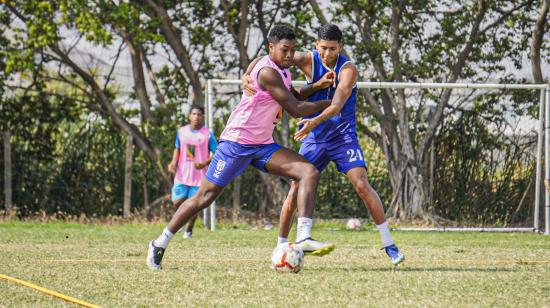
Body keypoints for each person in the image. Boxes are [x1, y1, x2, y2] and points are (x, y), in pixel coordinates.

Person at [147, 25, 335, 270]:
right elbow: (295, 109)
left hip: (262, 144)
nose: (290, 55)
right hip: (236, 143)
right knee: (204, 197)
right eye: (285, 50)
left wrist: (318, 86)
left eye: (292, 50)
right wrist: (334, 102)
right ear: (271, 47)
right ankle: (159, 243)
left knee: (308, 171)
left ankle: (303, 237)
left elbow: (295, 96)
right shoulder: (269, 72)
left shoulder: (278, 69)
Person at [242, 24, 405, 265]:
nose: (327, 54)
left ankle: (389, 244)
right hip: (315, 138)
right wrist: (246, 74)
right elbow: (267, 57)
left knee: (361, 184)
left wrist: (311, 122)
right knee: (296, 188)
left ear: (340, 47)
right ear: (316, 45)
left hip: (342, 136)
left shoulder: (348, 69)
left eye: (333, 49)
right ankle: (280, 246)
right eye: (323, 48)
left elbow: (337, 105)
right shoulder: (307, 59)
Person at [167, 105, 217, 239]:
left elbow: (215, 151)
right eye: (194, 114)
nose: (196, 117)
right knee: (177, 202)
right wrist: (173, 162)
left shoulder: (208, 134)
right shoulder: (181, 132)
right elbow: (177, 148)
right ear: (189, 116)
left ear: (203, 117)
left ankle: (189, 229)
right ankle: (182, 220)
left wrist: (205, 163)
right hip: (182, 174)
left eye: (199, 114)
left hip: (199, 177)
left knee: (195, 205)